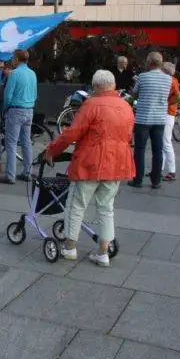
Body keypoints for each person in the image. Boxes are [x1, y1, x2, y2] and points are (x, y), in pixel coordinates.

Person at [44, 69, 135, 267]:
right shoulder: (125, 106)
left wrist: (52, 149)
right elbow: (128, 136)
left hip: (90, 163)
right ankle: (103, 252)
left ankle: (69, 248)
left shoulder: (91, 104)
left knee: (76, 205)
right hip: (116, 163)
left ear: (96, 86)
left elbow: (72, 133)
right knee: (106, 208)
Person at [130, 52, 174, 189]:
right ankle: (156, 180)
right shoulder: (168, 79)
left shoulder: (142, 77)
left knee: (140, 149)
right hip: (160, 119)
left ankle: (138, 179)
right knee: (158, 150)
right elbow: (174, 96)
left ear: (149, 62)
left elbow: (134, 94)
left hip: (143, 119)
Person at [0, 49, 38, 184]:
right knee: (26, 142)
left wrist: (5, 109)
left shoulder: (14, 74)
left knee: (11, 143)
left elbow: (7, 95)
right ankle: (27, 172)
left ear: (16, 59)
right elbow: (35, 94)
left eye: (13, 58)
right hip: (29, 110)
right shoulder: (32, 73)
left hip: (15, 110)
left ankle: (10, 175)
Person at [161, 62, 180, 182]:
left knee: (166, 141)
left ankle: (172, 171)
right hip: (169, 113)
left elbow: (178, 97)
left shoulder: (170, 81)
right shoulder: (173, 80)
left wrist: (166, 103)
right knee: (164, 142)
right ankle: (160, 168)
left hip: (168, 113)